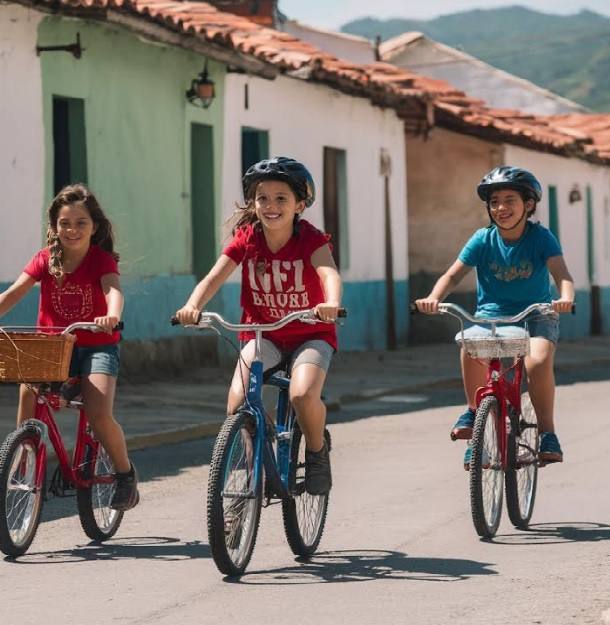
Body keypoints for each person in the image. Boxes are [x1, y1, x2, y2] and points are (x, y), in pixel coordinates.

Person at [175, 157, 342, 495]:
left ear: (300, 205)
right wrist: (193, 306)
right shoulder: (246, 238)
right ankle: (258, 457)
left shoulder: (310, 239)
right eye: (262, 197)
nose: (270, 205)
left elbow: (329, 273)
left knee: (301, 393)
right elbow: (213, 278)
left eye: (281, 198)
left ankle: (315, 450)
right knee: (237, 403)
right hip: (264, 334)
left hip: (311, 333)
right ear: (253, 203)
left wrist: (331, 303)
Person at [416, 166, 574, 467]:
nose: (501, 208)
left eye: (509, 200)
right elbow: (452, 276)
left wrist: (565, 299)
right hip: (492, 316)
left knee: (538, 361)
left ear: (528, 205)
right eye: (494, 201)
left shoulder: (541, 238)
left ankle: (548, 434)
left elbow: (562, 274)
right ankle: (474, 415)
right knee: (469, 343)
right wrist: (434, 298)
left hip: (536, 315)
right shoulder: (482, 239)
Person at [0, 184, 139, 510]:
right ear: (54, 227)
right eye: (64, 223)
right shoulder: (45, 260)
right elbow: (13, 294)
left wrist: (112, 315)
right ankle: (26, 455)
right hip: (54, 347)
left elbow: (113, 291)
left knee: (98, 412)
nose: (72, 230)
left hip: (97, 347)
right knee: (27, 388)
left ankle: (124, 475)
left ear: (94, 226)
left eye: (81, 222)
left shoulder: (100, 260)